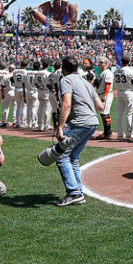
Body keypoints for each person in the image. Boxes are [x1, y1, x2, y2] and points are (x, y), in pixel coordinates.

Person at [47, 55, 103, 207]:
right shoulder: (85, 82)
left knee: (60, 155)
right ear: (77, 68)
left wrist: (60, 127)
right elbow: (99, 106)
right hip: (92, 122)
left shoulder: (65, 80)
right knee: (73, 156)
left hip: (80, 122)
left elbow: (66, 104)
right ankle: (78, 191)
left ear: (63, 69)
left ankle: (74, 192)